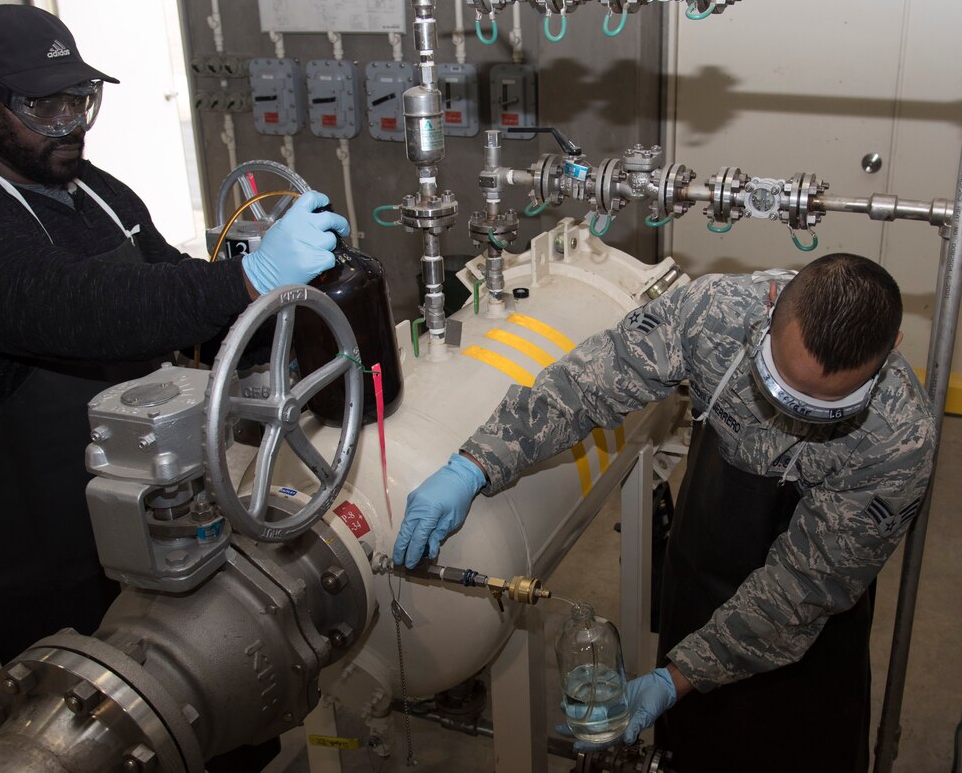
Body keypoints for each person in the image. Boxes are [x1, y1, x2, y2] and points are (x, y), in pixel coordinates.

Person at [0, 5, 350, 667]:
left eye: (82, 101)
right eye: (46, 108)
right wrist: (250, 278)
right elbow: (76, 309)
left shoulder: (90, 188)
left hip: (160, 485)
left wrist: (290, 321)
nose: (72, 125)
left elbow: (168, 285)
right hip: (51, 528)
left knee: (211, 673)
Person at [392, 253, 936, 772]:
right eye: (778, 387)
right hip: (705, 558)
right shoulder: (716, 312)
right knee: (694, 747)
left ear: (890, 351)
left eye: (822, 408)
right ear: (771, 306)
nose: (792, 415)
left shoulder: (898, 441)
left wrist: (672, 680)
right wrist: (476, 463)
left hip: (803, 631)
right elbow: (587, 385)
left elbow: (801, 589)